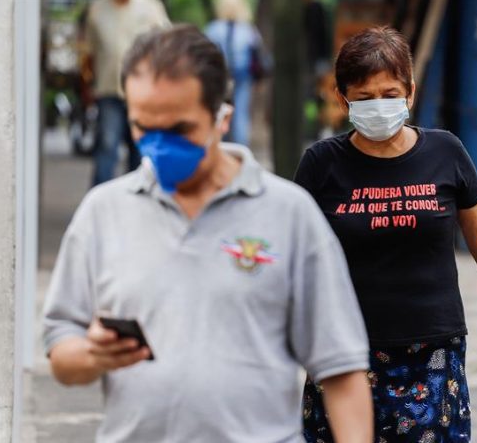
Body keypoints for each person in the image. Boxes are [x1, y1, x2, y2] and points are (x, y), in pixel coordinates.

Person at [42, 25, 373, 442]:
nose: (159, 145)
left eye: (179, 129)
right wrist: (92, 353)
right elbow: (61, 350)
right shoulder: (103, 212)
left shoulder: (289, 214)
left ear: (222, 117)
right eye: (144, 128)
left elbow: (341, 370)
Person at [295, 27, 477, 442]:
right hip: (342, 352)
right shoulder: (321, 164)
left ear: (410, 93)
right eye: (364, 98)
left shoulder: (445, 153)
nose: (378, 106)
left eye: (389, 93)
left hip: (433, 355)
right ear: (343, 99)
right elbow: (296, 257)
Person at [82, 0, 170, 186]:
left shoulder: (151, 7)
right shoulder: (97, 10)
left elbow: (166, 48)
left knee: (140, 149)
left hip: (143, 93)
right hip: (108, 89)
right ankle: (100, 203)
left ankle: (140, 198)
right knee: (107, 147)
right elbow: (89, 52)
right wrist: (87, 85)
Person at [204, 0, 268, 146]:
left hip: (220, 77)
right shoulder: (248, 30)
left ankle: (222, 146)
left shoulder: (213, 29)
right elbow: (259, 56)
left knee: (221, 112)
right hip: (243, 76)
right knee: (240, 115)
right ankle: (240, 148)